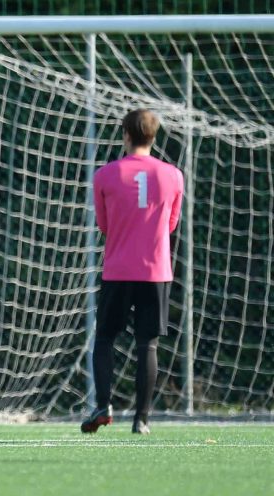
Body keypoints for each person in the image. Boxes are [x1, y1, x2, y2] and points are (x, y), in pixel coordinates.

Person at [81, 109, 183, 435]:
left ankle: (103, 405)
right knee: (147, 344)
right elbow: (171, 225)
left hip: (118, 270)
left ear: (126, 135)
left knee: (105, 338)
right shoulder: (173, 175)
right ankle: (142, 419)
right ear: (153, 136)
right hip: (156, 271)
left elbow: (104, 226)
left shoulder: (105, 175)